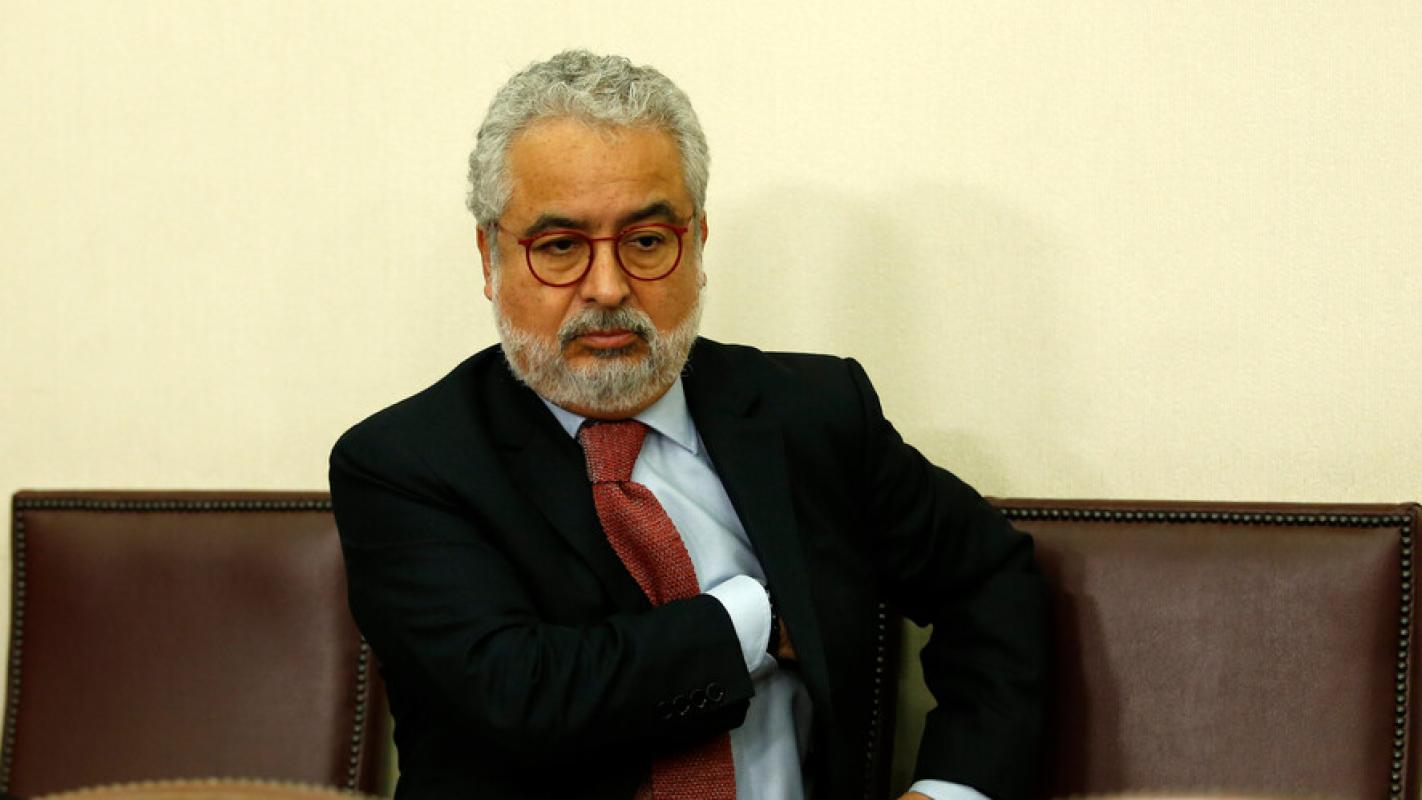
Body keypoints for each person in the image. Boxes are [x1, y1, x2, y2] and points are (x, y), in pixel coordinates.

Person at [330, 50, 1048, 800]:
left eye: (646, 241)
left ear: (698, 243)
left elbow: (990, 581)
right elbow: (519, 697)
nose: (608, 288)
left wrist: (952, 790)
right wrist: (762, 618)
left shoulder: (812, 414)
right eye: (560, 247)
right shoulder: (404, 464)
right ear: (490, 257)